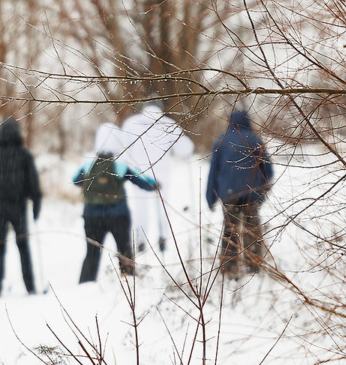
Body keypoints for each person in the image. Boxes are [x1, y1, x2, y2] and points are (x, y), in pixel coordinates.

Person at [73, 123, 156, 282]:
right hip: (118, 215)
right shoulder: (120, 164)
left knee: (92, 253)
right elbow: (143, 181)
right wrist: (155, 184)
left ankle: (85, 285)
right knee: (124, 251)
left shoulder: (89, 163)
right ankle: (129, 282)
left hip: (92, 216)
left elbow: (75, 181)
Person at [0, 117, 42, 295]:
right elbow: (33, 183)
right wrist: (36, 204)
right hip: (18, 206)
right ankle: (31, 286)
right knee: (23, 245)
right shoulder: (24, 155)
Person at [205, 108, 275, 277]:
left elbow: (213, 172)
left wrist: (210, 198)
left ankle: (230, 269)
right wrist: (262, 191)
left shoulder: (221, 141)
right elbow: (269, 170)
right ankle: (253, 267)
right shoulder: (255, 140)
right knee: (252, 230)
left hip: (229, 195)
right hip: (252, 193)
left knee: (230, 231)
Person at [120, 102, 194, 254]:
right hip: (162, 174)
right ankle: (163, 236)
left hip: (139, 174)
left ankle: (140, 239)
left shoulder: (131, 123)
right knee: (162, 207)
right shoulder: (169, 124)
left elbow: (122, 147)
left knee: (140, 207)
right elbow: (184, 148)